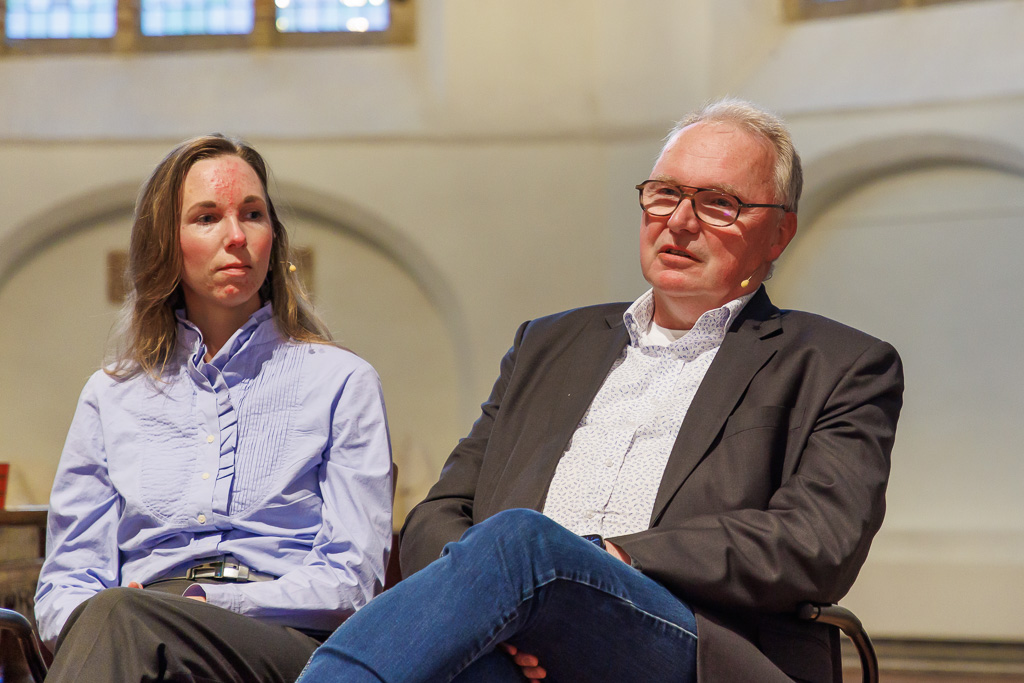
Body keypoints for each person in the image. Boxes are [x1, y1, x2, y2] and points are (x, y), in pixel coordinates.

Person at [297, 98, 903, 683]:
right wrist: (492, 604)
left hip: (692, 645)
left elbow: (816, 542)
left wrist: (614, 556)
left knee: (522, 540)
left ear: (778, 233)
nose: (679, 221)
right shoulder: (549, 344)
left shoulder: (839, 364)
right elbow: (438, 514)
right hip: (517, 639)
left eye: (718, 203)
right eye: (664, 193)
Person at [34, 134, 393, 682]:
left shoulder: (342, 381)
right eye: (207, 218)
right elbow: (66, 581)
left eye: (252, 214)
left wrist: (206, 603)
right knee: (117, 623)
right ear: (165, 244)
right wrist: (103, 620)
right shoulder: (109, 396)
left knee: (123, 621)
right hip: (134, 631)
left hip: (287, 644)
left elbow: (352, 581)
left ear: (274, 236)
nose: (237, 237)